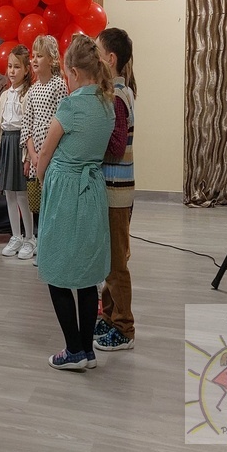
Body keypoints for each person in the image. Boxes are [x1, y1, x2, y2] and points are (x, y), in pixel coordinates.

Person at [37, 34, 115, 371]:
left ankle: (73, 350)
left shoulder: (70, 105)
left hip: (66, 189)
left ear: (74, 72)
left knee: (54, 268)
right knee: (85, 272)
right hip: (93, 189)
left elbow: (46, 150)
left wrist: (42, 178)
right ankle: (86, 350)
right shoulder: (107, 103)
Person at [94, 27, 138, 351]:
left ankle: (124, 327)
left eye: (97, 53)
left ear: (110, 59)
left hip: (116, 191)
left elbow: (117, 145)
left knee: (116, 265)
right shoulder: (119, 92)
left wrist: (92, 143)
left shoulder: (118, 96)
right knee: (110, 258)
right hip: (114, 189)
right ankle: (109, 317)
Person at [20, 35, 69, 266]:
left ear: (52, 59)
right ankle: (41, 243)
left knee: (53, 202)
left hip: (54, 154)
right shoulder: (32, 90)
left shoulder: (59, 85)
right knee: (38, 203)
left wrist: (47, 154)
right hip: (36, 156)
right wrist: (32, 154)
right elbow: (27, 125)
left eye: (40, 56)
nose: (34, 60)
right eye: (33, 56)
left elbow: (62, 119)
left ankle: (55, 246)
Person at [0, 45, 34, 260]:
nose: (12, 71)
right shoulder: (5, 95)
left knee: (22, 195)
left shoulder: (29, 94)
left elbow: (29, 127)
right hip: (7, 144)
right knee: (9, 193)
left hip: (20, 144)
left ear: (26, 69)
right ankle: (15, 235)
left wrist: (27, 157)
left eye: (17, 67)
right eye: (10, 66)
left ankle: (30, 238)